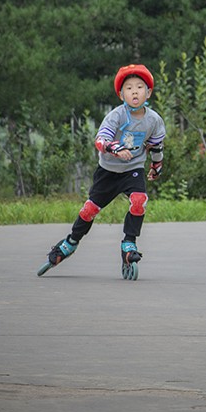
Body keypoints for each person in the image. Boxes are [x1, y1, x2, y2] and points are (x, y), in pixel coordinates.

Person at [37, 64, 166, 281]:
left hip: (132, 170)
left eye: (140, 87)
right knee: (90, 210)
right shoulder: (116, 116)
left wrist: (156, 167)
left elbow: (157, 146)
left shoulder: (154, 120)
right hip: (108, 171)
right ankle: (70, 242)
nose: (134, 92)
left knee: (139, 200)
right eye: (129, 88)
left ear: (149, 92)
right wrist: (116, 148)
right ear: (121, 94)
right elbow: (101, 140)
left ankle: (129, 242)